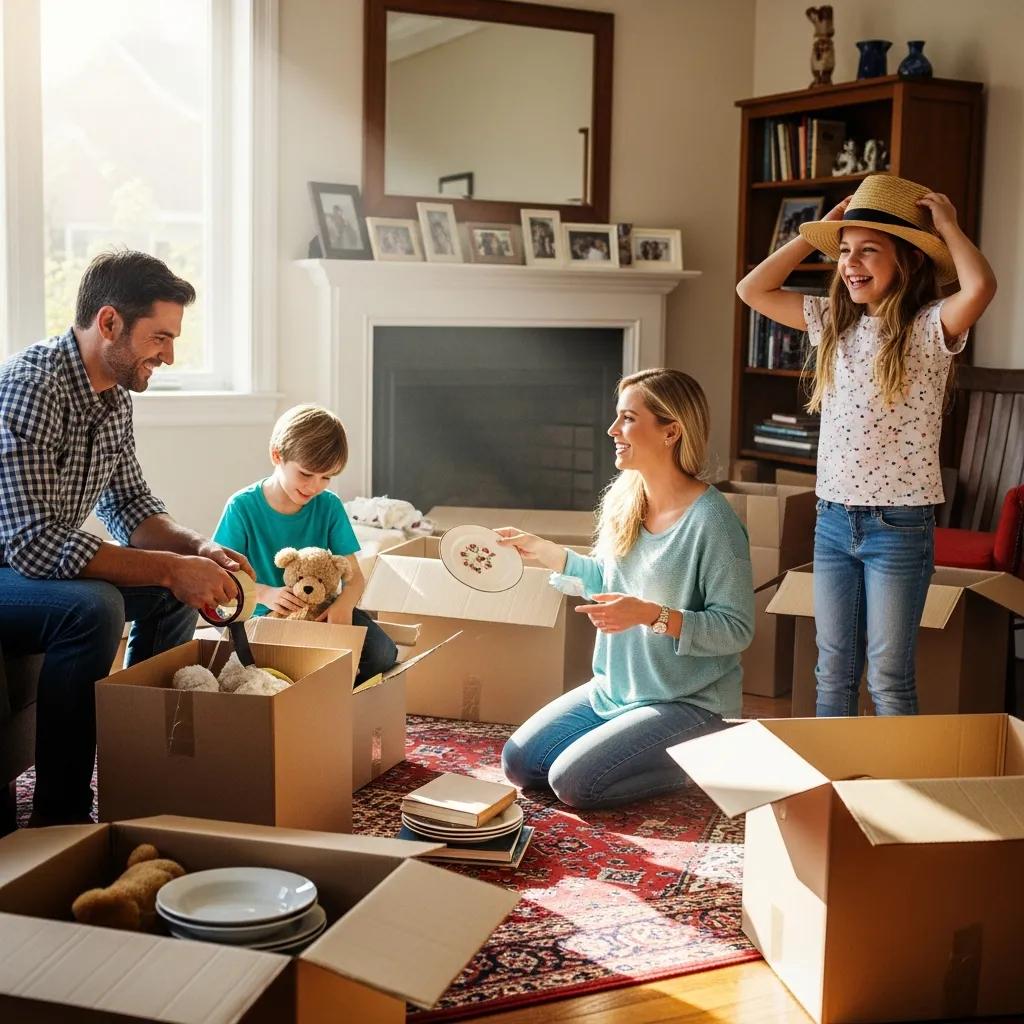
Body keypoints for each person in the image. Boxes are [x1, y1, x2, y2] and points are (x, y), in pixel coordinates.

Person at [0, 250, 254, 827]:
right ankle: (59, 817)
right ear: (109, 322)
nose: (168, 355)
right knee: (95, 606)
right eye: (159, 338)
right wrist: (167, 567)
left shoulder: (113, 395)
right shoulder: (31, 387)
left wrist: (196, 550)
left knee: (171, 592)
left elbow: (130, 507)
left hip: (26, 568)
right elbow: (33, 545)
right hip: (7, 567)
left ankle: (142, 771)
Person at [736, 174, 997, 717]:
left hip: (898, 527)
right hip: (832, 519)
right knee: (831, 671)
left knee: (889, 676)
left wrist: (947, 227)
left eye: (869, 251)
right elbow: (751, 290)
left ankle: (885, 795)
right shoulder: (832, 322)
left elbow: (979, 288)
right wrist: (816, 235)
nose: (851, 263)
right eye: (845, 253)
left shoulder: (930, 327)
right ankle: (836, 787)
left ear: (906, 261)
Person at [498, 370, 754, 809]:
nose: (613, 430)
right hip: (615, 689)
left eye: (628, 419)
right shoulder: (625, 497)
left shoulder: (713, 523)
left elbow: (735, 630)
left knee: (572, 783)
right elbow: (610, 583)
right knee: (520, 763)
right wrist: (550, 554)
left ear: (671, 431)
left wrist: (649, 615)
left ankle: (701, 762)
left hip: (688, 703)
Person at [212, 404, 397, 686]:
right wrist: (265, 594)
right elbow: (223, 579)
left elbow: (355, 578)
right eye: (306, 474)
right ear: (277, 456)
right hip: (263, 620)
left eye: (326, 477)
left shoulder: (329, 506)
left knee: (383, 653)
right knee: (248, 668)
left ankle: (323, 683)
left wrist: (343, 607)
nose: (314, 486)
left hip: (321, 613)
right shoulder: (242, 507)